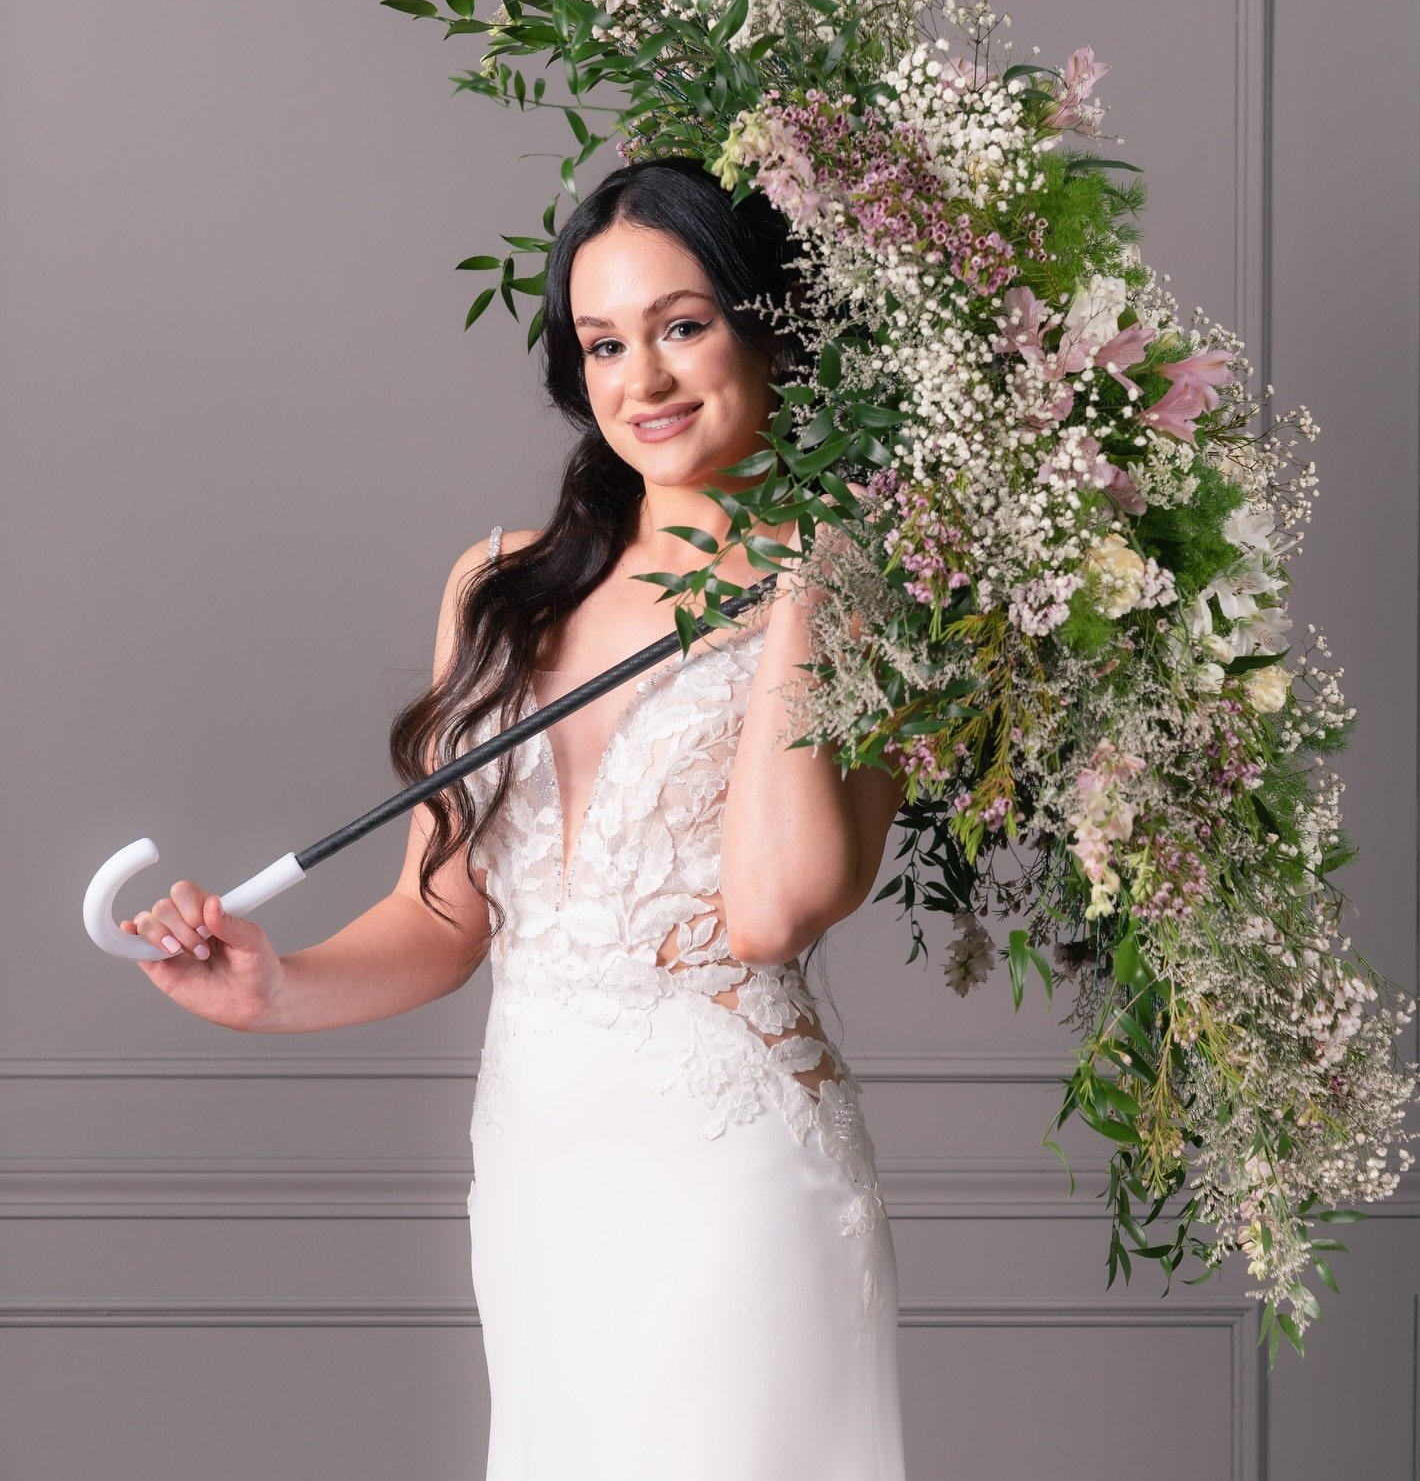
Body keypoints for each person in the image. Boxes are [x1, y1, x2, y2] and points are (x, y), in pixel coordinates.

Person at [121, 154, 910, 1480]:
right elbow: (442, 919)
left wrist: (809, 589)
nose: (642, 382)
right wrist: (273, 988)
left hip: (733, 1177)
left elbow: (774, 913)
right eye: (604, 344)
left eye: (682, 326)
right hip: (540, 1174)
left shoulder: (855, 603)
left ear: (771, 323)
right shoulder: (501, 587)